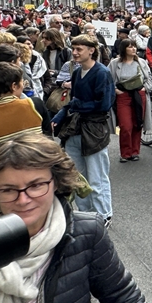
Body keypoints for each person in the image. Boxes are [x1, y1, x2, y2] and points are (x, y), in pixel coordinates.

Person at [0, 134, 152, 303]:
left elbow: (124, 298)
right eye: (8, 189)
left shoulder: (86, 233)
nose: (23, 200)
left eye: (36, 186)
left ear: (55, 182)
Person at [50, 35, 116, 227]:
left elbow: (104, 104)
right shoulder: (77, 73)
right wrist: (61, 114)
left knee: (97, 176)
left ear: (91, 50)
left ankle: (103, 215)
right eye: (74, 49)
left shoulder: (102, 73)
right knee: (78, 176)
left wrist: (77, 105)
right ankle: (86, 215)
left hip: (94, 129)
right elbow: (73, 100)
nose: (75, 53)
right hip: (75, 128)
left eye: (79, 49)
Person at [108, 38, 152, 163]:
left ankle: (135, 151)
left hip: (139, 94)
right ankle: (125, 153)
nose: (133, 49)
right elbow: (108, 79)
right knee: (126, 126)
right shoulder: (115, 63)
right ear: (124, 49)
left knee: (137, 123)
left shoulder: (141, 62)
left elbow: (149, 77)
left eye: (134, 46)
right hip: (123, 96)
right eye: (130, 46)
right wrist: (115, 90)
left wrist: (145, 88)